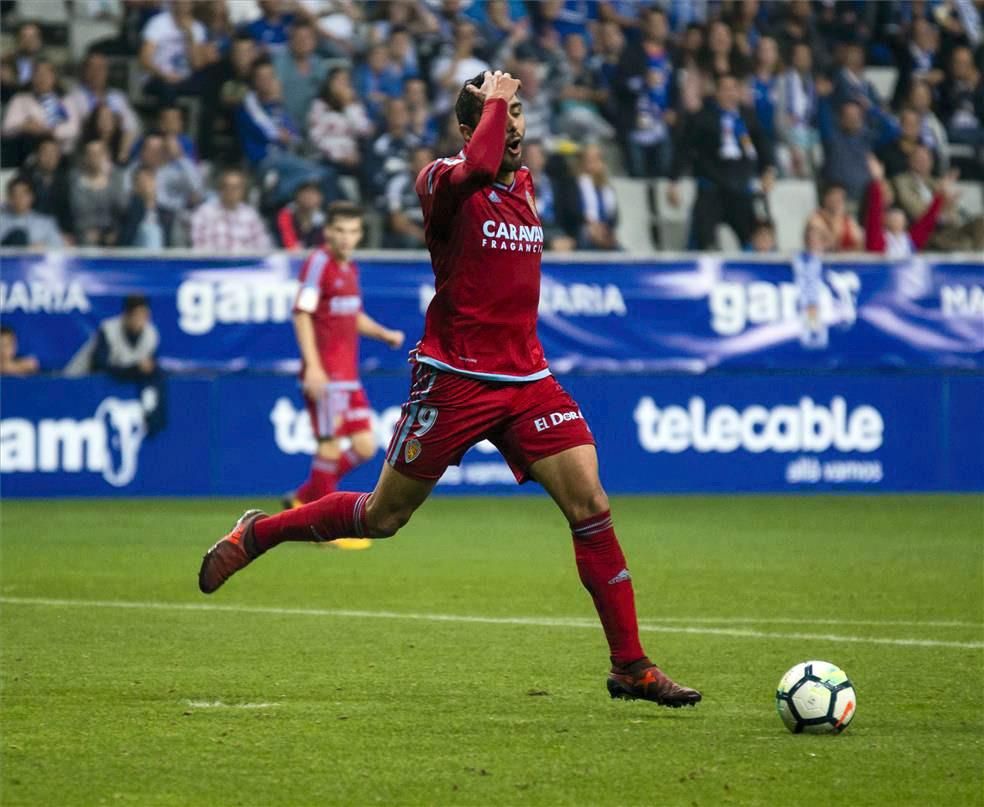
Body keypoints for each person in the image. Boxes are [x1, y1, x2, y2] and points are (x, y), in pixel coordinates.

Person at [198, 69, 702, 709]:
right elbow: (475, 167)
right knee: (384, 516)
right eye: (501, 113)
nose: (514, 123)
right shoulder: (441, 181)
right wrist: (490, 106)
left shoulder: (523, 185)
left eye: (518, 110)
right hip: (456, 379)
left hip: (527, 379)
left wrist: (497, 107)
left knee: (591, 505)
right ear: (470, 129)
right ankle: (259, 534)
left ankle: (631, 666)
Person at [281, 201, 405, 539]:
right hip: (326, 375)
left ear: (361, 233)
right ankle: (322, 528)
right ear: (327, 232)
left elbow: (351, 315)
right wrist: (315, 368)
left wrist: (383, 334)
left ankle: (304, 499)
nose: (346, 238)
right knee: (329, 446)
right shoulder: (318, 263)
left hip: (348, 377)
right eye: (340, 231)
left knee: (365, 446)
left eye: (353, 231)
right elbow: (302, 313)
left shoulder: (350, 268)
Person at [668, 73, 775, 249]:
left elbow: (763, 144)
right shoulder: (702, 117)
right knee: (702, 239)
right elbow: (684, 150)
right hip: (711, 189)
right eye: (725, 89)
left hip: (741, 189)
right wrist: (674, 181)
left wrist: (768, 170)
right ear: (716, 92)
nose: (729, 93)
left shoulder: (748, 116)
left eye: (733, 89)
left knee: (754, 239)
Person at [893, 147, 984, 252]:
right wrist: (942, 205)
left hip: (947, 229)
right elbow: (916, 212)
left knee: (981, 222)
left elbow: (954, 216)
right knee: (951, 242)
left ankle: (979, 262)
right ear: (909, 161)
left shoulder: (936, 183)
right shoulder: (901, 181)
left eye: (926, 159)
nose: (923, 162)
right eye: (919, 159)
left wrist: (948, 207)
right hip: (924, 233)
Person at [65, 51, 142, 164]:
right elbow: (75, 129)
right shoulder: (74, 97)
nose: (97, 72)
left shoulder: (118, 97)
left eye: (101, 68)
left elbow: (132, 126)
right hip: (86, 151)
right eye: (92, 68)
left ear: (107, 72)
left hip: (117, 150)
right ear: (84, 71)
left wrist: (122, 152)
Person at [863, 155, 946, 258]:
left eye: (899, 213)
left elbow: (928, 222)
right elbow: (874, 215)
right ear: (885, 220)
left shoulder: (911, 241)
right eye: (892, 213)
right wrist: (877, 181)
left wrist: (940, 196)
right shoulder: (878, 242)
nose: (897, 215)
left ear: (905, 222)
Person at [190, 168, 272, 252]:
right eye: (226, 187)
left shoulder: (251, 215)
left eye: (235, 187)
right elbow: (198, 248)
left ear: (243, 191)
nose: (230, 191)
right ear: (220, 189)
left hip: (244, 263)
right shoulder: (203, 213)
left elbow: (262, 247)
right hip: (213, 263)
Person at [69, 139, 126, 246]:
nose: (94, 157)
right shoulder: (75, 179)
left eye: (98, 153)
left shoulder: (116, 177)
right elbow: (77, 208)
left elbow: (122, 206)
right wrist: (87, 230)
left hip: (112, 230)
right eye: (90, 153)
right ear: (85, 157)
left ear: (106, 156)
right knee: (89, 244)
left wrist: (108, 178)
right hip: (84, 231)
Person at [576, 143, 620, 250]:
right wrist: (592, 226)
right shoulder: (576, 184)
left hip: (604, 230)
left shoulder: (607, 188)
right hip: (584, 229)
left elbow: (614, 217)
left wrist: (605, 229)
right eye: (589, 160)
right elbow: (573, 213)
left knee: (620, 250)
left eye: (596, 159)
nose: (593, 164)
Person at [119, 167, 176, 248]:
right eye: (142, 181)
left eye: (150, 179)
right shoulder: (129, 213)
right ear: (135, 187)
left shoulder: (165, 214)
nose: (147, 185)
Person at [0, 176, 64, 247]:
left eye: (23, 194)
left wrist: (43, 247)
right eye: (14, 195)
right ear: (9, 198)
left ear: (31, 196)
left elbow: (59, 247)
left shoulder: (46, 223)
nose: (19, 199)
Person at [275, 180, 326, 249]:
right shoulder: (285, 215)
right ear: (297, 196)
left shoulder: (324, 221)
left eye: (313, 193)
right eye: (305, 193)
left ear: (320, 198)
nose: (309, 197)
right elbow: (290, 245)